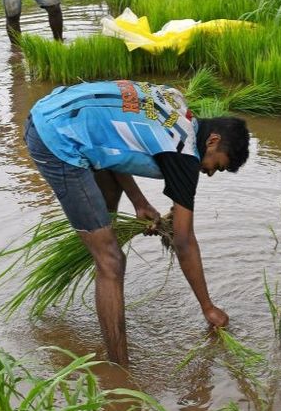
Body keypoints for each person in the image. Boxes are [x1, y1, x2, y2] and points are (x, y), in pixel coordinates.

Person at [24, 80, 250, 364]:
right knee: (111, 261)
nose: (210, 173)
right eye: (216, 165)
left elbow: (113, 141)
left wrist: (139, 202)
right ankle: (119, 371)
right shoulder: (184, 154)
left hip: (56, 110)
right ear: (213, 141)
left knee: (105, 231)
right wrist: (208, 308)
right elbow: (184, 241)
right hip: (55, 136)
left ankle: (100, 255)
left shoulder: (178, 105)